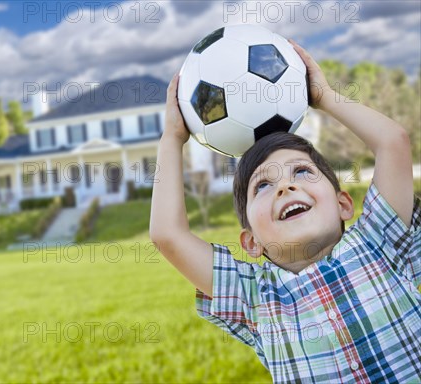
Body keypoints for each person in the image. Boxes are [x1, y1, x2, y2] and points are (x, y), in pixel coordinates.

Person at [149, 39, 420, 382]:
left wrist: (323, 95)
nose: (285, 187)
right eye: (262, 186)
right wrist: (171, 139)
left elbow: (393, 142)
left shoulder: (379, 242)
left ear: (343, 204)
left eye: (302, 172)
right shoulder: (255, 298)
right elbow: (167, 235)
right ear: (251, 243)